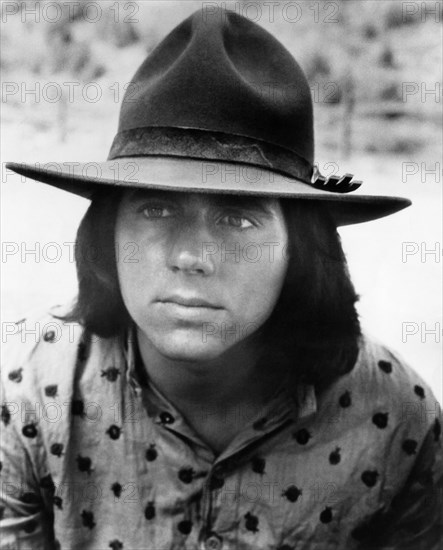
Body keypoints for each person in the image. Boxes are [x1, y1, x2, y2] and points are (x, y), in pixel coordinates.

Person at [1, 7, 441, 550]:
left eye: (237, 218)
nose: (191, 255)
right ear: (106, 235)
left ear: (300, 249)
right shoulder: (33, 399)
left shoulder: (396, 418)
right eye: (156, 210)